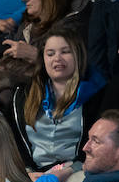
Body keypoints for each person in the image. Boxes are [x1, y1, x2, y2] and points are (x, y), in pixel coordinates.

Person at [7, 31, 105, 173]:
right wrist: (27, 173)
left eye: (65, 52)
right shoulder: (22, 95)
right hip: (33, 174)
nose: (57, 58)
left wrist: (70, 171)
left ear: (78, 56)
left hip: (79, 172)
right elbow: (14, 143)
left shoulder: (95, 95)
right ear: (43, 59)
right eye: (50, 54)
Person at [0, 0, 82, 92]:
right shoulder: (29, 24)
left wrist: (34, 55)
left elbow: (77, 70)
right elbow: (4, 46)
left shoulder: (74, 26)